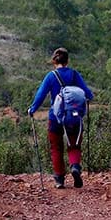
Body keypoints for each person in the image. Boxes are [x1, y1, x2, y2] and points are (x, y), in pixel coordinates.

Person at [28, 47, 94, 189]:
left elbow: (40, 95)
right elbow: (88, 94)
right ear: (67, 61)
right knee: (74, 145)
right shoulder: (74, 75)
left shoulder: (51, 76)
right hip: (74, 117)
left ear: (54, 61)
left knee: (56, 148)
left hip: (56, 117)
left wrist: (32, 109)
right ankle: (75, 167)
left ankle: (59, 179)